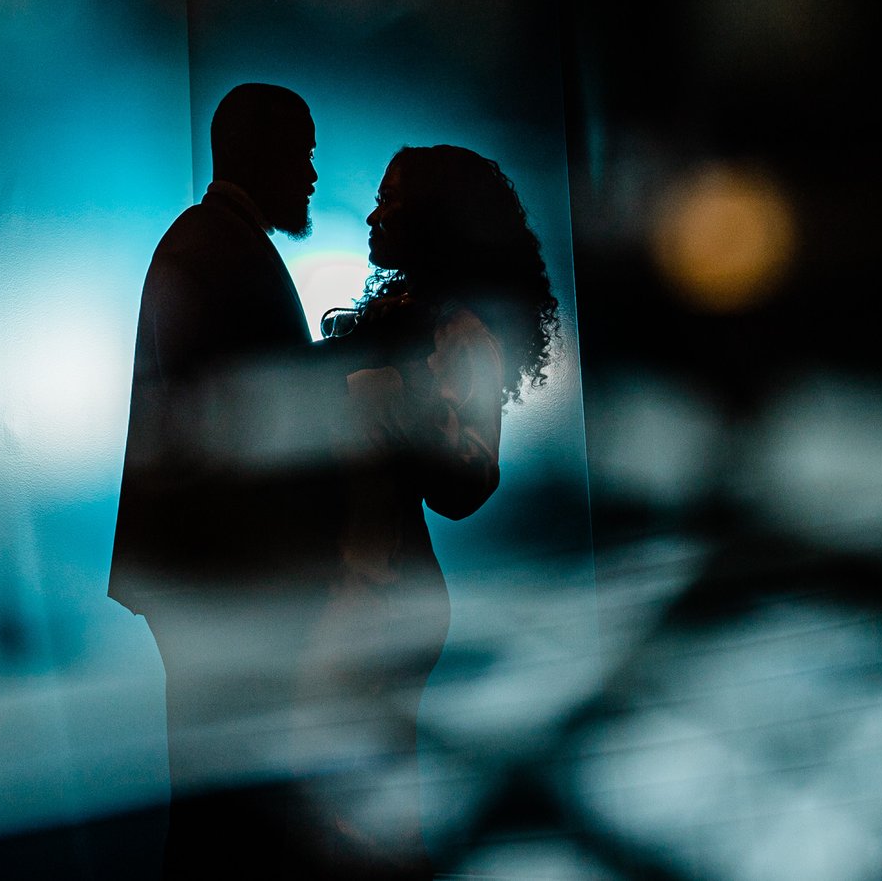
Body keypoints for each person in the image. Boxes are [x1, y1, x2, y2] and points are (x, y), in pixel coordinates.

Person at [299, 145, 561, 875]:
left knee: (367, 816)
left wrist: (394, 412)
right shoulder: (399, 313)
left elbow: (471, 478)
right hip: (357, 587)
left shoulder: (462, 330)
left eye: (391, 198)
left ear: (433, 216)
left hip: (382, 594)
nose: (375, 212)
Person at [109, 83, 336, 877]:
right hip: (222, 577)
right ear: (261, 152)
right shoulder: (220, 247)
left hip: (204, 574)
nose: (312, 171)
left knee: (219, 791)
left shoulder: (206, 240)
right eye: (302, 150)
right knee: (226, 803)